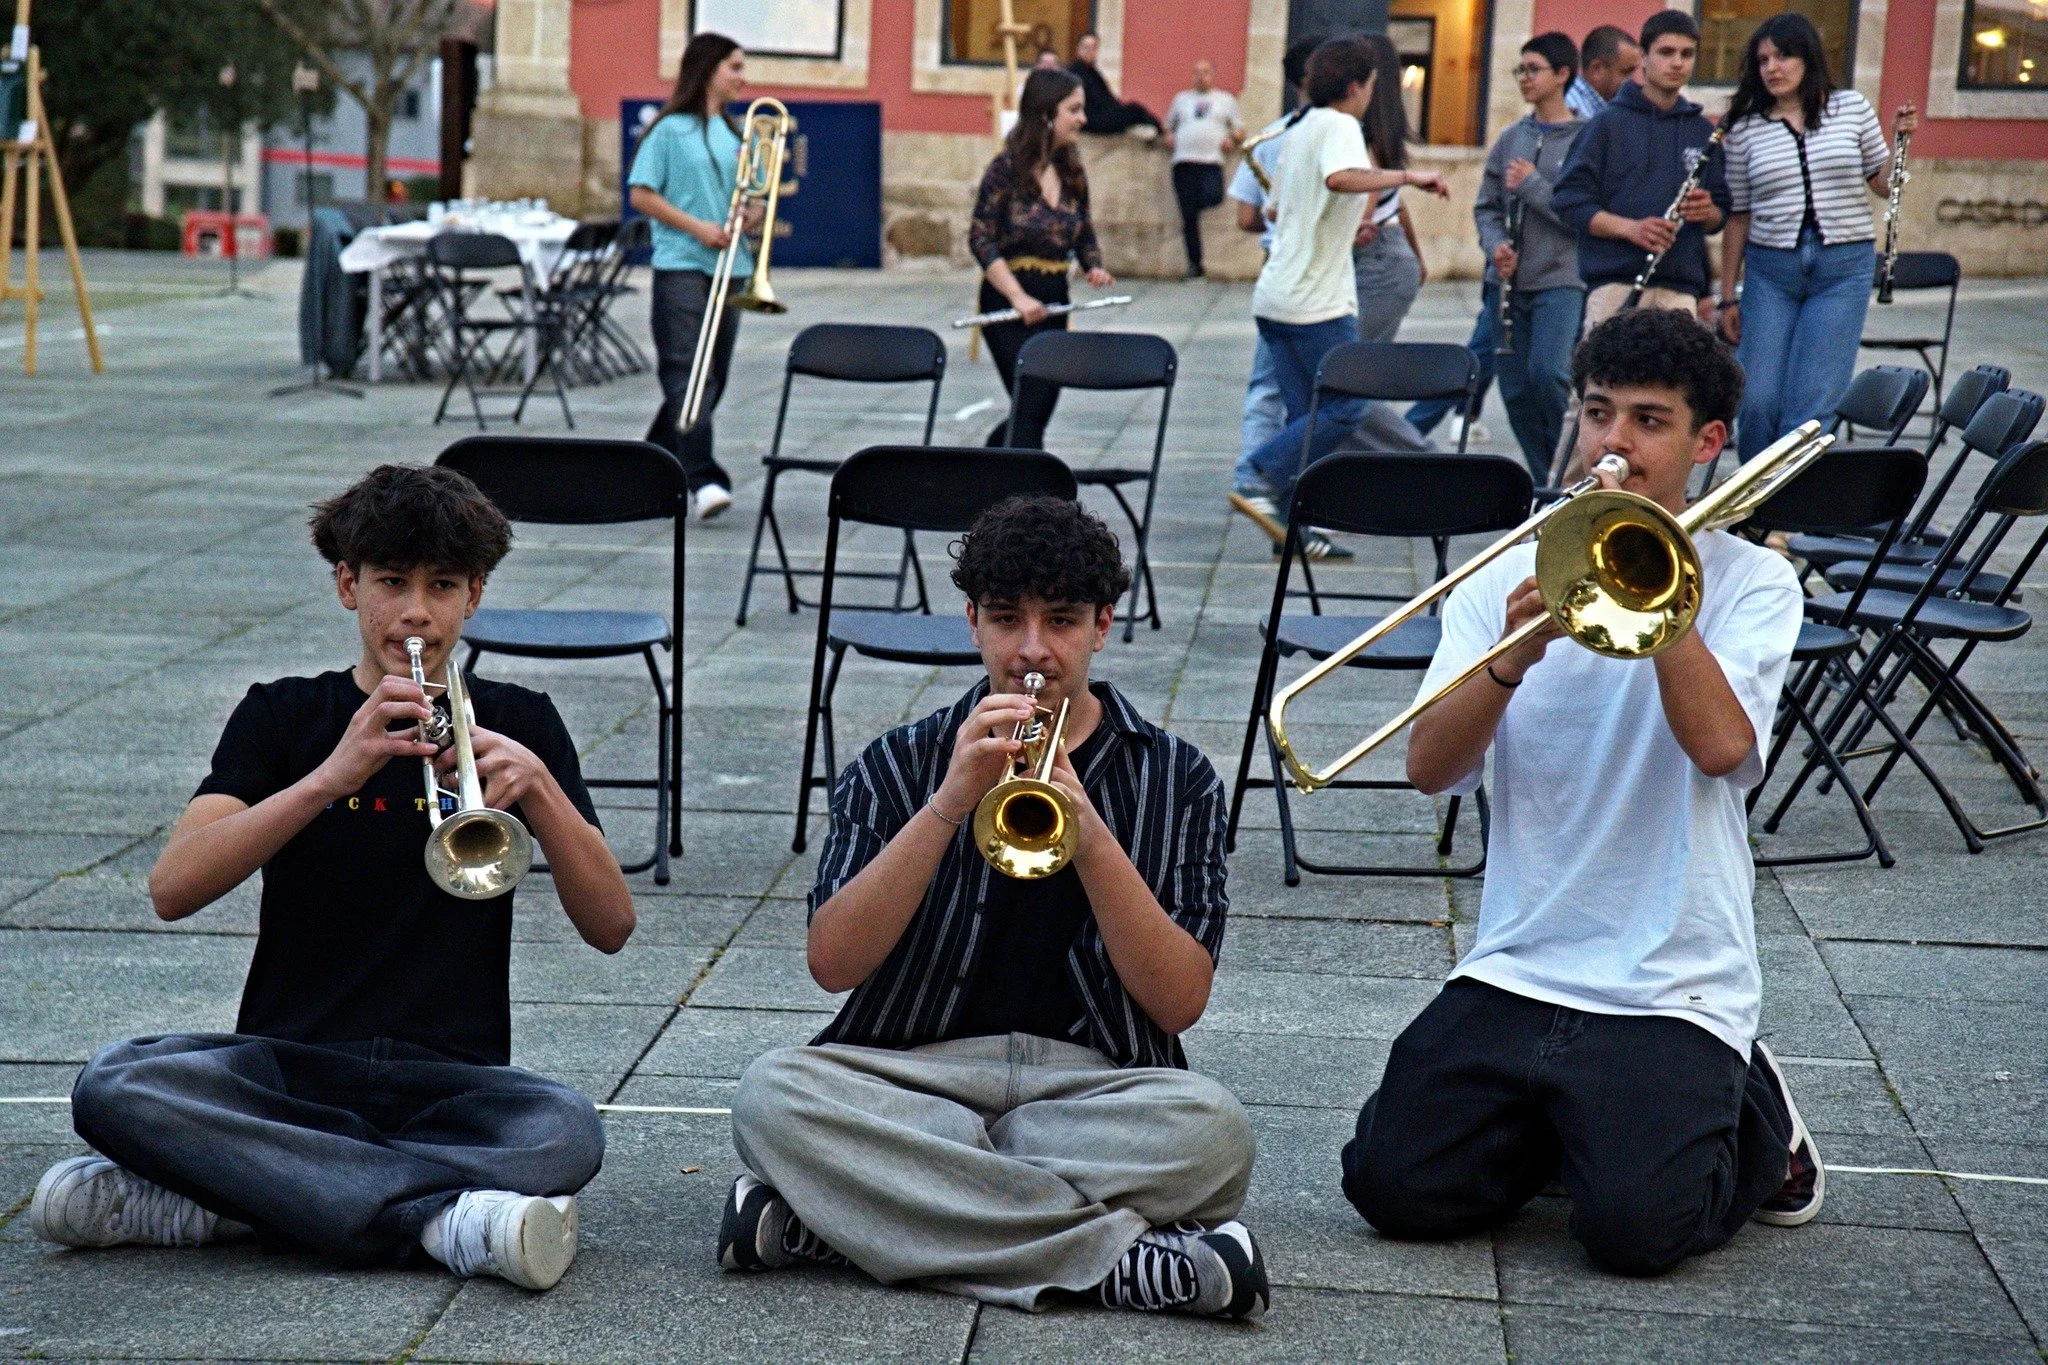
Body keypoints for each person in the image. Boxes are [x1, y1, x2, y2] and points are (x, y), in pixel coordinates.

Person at [30, 466, 636, 1292]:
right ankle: (443, 1220)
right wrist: (328, 776)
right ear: (348, 585)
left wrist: (542, 792)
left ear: (475, 595)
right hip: (286, 1069)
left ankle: (242, 1200)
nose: (416, 611)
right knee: (116, 1080)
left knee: (565, 1129)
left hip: (450, 1083)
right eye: (391, 582)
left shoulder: (520, 722)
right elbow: (173, 888)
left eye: (442, 586)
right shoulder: (283, 714)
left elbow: (612, 926)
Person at [1340, 307, 1822, 1276]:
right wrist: (1510, 656)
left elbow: (1725, 750)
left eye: (1648, 422)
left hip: (1669, 980)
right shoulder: (1502, 577)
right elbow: (1427, 768)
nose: (1613, 443)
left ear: (1704, 442)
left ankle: (1752, 1108)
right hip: (1519, 961)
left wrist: (1660, 597)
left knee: (1635, 1234)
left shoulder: (1750, 586)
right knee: (1391, 1187)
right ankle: (1584, 1123)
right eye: (1598, 413)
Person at [719, 495, 1267, 1320]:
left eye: (1062, 622)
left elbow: (1179, 998)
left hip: (1094, 1090)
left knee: (1216, 1134)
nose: (1033, 650)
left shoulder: (1178, 776)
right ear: (973, 621)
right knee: (769, 1095)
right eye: (1008, 620)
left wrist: (1093, 838)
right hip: (916, 1075)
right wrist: (947, 803)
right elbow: (833, 963)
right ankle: (1116, 1262)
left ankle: (844, 1222)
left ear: (1103, 626)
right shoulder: (896, 763)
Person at [1232, 39, 1448, 530]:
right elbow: (1339, 179)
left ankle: (1295, 527)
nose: (1373, 95)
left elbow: (1271, 210)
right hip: (1316, 302)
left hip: (1275, 295)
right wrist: (1411, 177)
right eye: (1372, 86)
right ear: (1355, 86)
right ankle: (1258, 474)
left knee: (1301, 412)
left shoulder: (1299, 127)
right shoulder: (1340, 124)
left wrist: (1334, 224)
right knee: (1347, 406)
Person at [1717, 14, 1915, 463]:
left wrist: (1901, 144)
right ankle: (1753, 504)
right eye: (1763, 59)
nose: (1773, 67)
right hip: (1771, 270)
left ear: (1808, 58)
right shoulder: (1745, 128)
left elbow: (1883, 184)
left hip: (1842, 267)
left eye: (1783, 55)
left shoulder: (1850, 108)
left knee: (1811, 405)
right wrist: (1728, 296)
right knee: (1757, 399)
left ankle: (1788, 516)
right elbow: (1739, 216)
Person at [628, 32, 760, 521]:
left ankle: (643, 470)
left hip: (731, 267)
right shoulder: (668, 131)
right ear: (708, 70)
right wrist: (697, 228)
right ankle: (702, 478)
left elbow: (750, 200)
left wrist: (751, 214)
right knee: (686, 370)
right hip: (681, 261)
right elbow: (642, 195)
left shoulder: (735, 133)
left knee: (713, 378)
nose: (743, 78)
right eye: (736, 67)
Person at [1552, 11, 1730, 335]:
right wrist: (1631, 229)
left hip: (1679, 291)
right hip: (1615, 286)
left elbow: (1721, 214)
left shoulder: (1703, 132)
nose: (1677, 63)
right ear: (1644, 59)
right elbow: (1568, 201)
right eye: (1666, 52)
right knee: (1607, 384)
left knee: (1675, 385)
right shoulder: (1606, 126)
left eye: (1687, 54)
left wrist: (1708, 212)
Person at [968, 67, 1117, 450]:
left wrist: (1093, 265)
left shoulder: (1071, 169)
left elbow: (1082, 228)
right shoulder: (1006, 169)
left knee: (1035, 410)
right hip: (1007, 301)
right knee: (1031, 405)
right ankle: (1030, 497)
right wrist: (1018, 298)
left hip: (1054, 299)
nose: (1083, 119)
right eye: (1074, 109)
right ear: (1047, 113)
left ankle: (984, 469)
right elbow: (981, 237)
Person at [1476, 32, 1588, 481]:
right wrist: (1495, 245)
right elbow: (1485, 206)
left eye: (1533, 69)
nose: (1524, 78)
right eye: (1520, 69)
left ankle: (1568, 475)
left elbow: (1583, 214)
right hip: (1505, 283)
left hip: (1561, 280)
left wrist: (1533, 188)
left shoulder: (1585, 139)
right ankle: (1547, 483)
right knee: (1516, 390)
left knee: (1549, 376)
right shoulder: (1510, 138)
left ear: (1562, 75)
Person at [1352, 34, 1430, 347]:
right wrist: (1417, 257)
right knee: (1353, 372)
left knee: (1350, 371)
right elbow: (1395, 205)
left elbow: (1365, 210)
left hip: (1377, 261)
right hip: (1389, 258)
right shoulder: (1380, 133)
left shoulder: (1364, 136)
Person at [1164, 60, 1243, 278]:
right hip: (1184, 162)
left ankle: (1194, 206)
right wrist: (1169, 135)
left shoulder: (1225, 100)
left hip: (1211, 161)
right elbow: (1169, 125)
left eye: (1206, 72)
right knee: (1188, 219)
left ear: (1213, 75)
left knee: (1214, 196)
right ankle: (1195, 265)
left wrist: (1232, 140)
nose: (1201, 77)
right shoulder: (1181, 99)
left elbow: (1238, 129)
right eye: (1197, 72)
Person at [1069, 33, 1160, 135]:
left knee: (1133, 109)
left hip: (1099, 116)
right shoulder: (1073, 72)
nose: (1090, 52)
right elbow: (1098, 100)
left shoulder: (1093, 73)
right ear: (1078, 49)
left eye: (1093, 48)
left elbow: (1107, 97)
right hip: (1091, 120)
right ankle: (1161, 130)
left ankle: (1160, 129)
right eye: (1086, 47)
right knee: (1134, 109)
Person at [1565, 25, 1640, 121]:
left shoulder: (1611, 107)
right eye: (1625, 72)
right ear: (1596, 69)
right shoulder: (1570, 107)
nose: (1631, 81)